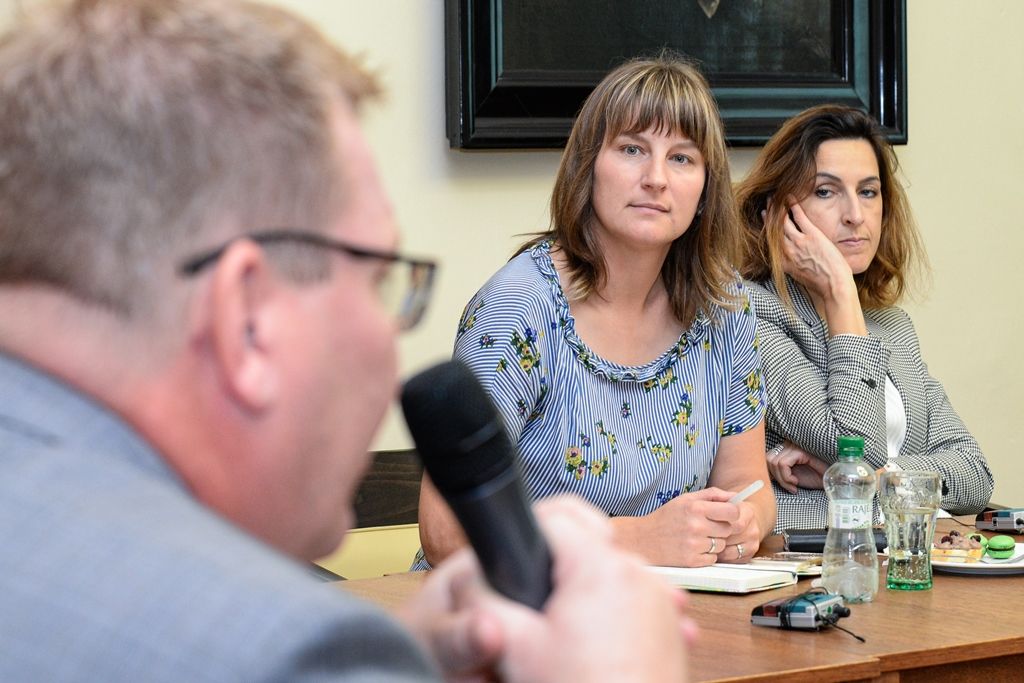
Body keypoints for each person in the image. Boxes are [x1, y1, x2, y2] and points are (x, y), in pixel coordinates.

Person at [0, 1, 694, 680]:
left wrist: (402, 657)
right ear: (247, 320)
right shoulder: (282, 649)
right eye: (379, 278)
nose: (395, 342)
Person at [416, 54, 775, 572]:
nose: (656, 178)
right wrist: (637, 539)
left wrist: (742, 525)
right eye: (633, 149)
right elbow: (447, 533)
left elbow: (750, 487)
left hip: (659, 614)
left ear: (704, 191)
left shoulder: (725, 307)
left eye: (681, 158)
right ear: (589, 167)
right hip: (501, 618)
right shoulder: (520, 307)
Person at [735, 104, 994, 532]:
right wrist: (839, 292)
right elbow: (860, 448)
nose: (855, 214)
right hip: (816, 569)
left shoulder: (892, 326)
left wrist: (873, 482)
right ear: (777, 214)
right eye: (825, 191)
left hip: (908, 562)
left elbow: (974, 473)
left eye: (869, 191)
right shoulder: (750, 315)